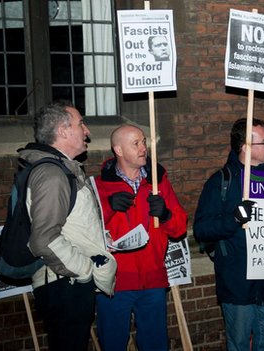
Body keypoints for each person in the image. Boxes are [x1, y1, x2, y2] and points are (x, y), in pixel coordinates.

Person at [193, 118, 264, 351]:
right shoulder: (221, 182)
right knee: (239, 346)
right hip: (238, 284)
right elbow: (202, 229)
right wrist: (233, 219)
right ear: (245, 147)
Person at [23, 101, 116, 351]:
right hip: (65, 284)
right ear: (63, 131)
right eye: (80, 123)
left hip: (68, 282)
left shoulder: (62, 169)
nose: (87, 131)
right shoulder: (52, 174)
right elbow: (43, 239)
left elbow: (69, 225)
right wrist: (84, 270)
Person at [94, 124, 188, 350]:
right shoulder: (100, 186)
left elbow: (180, 228)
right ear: (118, 150)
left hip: (153, 279)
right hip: (115, 282)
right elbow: (86, 233)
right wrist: (106, 208)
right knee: (113, 343)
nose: (143, 148)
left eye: (144, 142)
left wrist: (165, 214)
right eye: (135, 143)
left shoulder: (158, 182)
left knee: (155, 344)